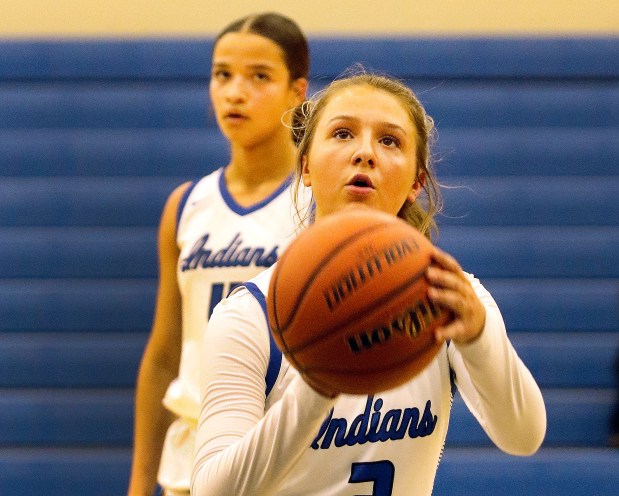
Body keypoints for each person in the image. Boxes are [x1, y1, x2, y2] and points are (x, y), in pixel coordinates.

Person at [191, 71, 547, 495]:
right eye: (342, 133)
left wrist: (479, 336)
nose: (364, 153)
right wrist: (317, 386)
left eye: (389, 140)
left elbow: (523, 436)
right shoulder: (248, 314)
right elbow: (212, 490)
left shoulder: (447, 298)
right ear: (305, 166)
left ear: (416, 182)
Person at [127, 12, 309, 496]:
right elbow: (165, 356)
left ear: (298, 91)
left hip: (286, 459)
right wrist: (141, 483)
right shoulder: (186, 206)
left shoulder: (319, 204)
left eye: (259, 76)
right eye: (222, 74)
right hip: (190, 465)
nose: (235, 91)